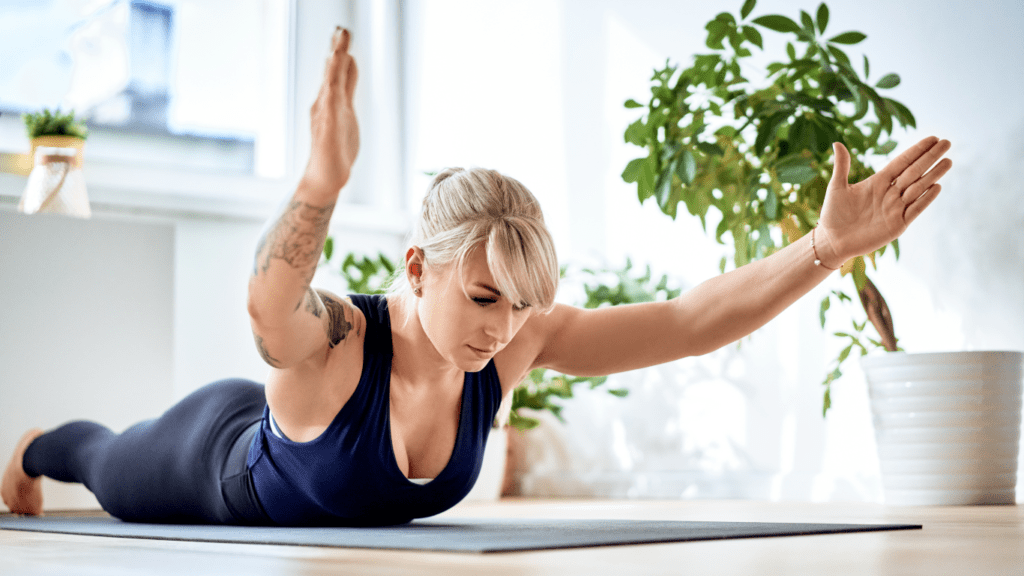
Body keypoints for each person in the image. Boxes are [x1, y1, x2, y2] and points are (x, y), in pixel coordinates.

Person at [2, 27, 952, 526]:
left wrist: (827, 250)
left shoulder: (514, 343)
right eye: (486, 297)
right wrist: (322, 181)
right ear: (418, 267)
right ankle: (32, 442)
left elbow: (688, 320)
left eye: (524, 305)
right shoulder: (338, 342)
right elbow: (266, 311)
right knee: (100, 462)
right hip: (213, 461)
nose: (504, 329)